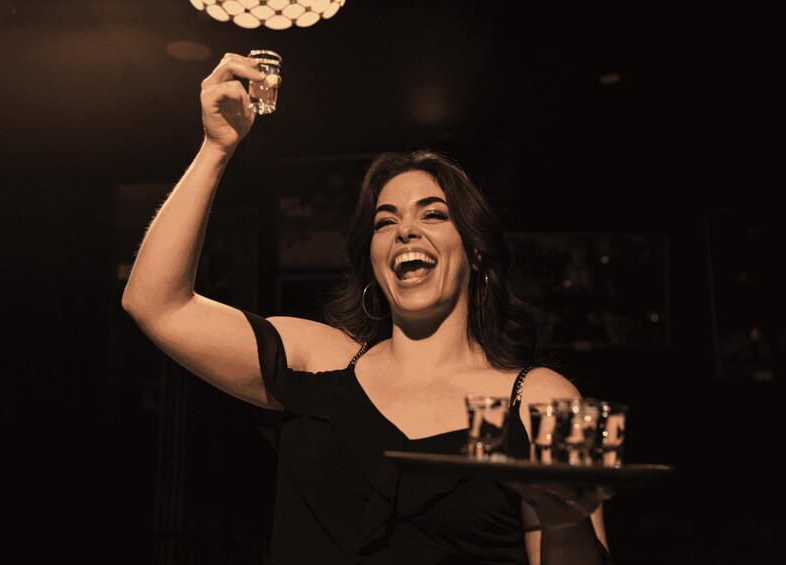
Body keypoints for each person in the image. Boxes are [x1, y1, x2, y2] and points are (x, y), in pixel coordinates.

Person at [122, 52, 612, 565]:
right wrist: (216, 148)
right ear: (373, 260)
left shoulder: (538, 399)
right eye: (385, 221)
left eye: (433, 214)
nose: (405, 231)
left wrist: (565, 521)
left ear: (476, 253)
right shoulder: (319, 362)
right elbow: (155, 304)